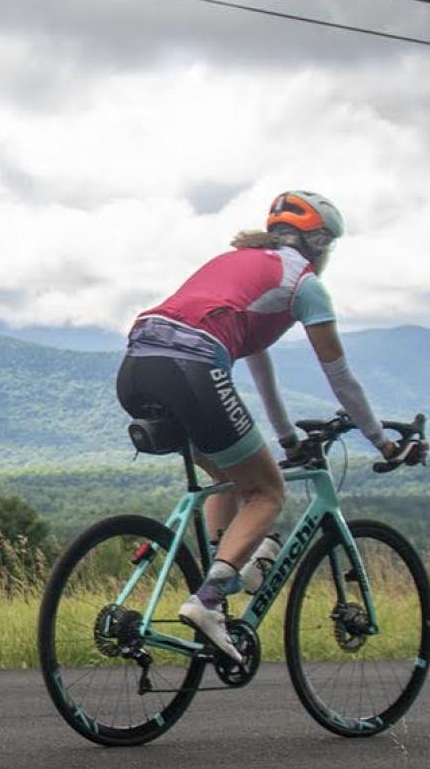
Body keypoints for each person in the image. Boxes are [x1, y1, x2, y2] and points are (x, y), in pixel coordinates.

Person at [116, 190, 401, 663]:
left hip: (138, 362)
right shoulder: (304, 283)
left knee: (230, 476)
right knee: (268, 492)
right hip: (192, 364)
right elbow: (340, 376)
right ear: (319, 242)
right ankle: (207, 602)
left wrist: (286, 439)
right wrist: (382, 442)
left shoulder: (240, 263)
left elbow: (260, 374)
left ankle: (218, 579)